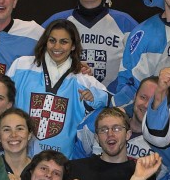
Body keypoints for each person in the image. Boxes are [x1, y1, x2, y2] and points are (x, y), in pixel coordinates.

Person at [8, 19, 109, 157]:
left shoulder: (82, 78)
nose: (57, 47)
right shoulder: (21, 66)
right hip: (20, 155)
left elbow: (108, 98)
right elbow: (2, 97)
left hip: (60, 162)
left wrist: (94, 97)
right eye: (52, 40)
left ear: (73, 46)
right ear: (45, 41)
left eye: (64, 42)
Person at [43, 0, 138, 93]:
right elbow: (37, 55)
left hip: (111, 103)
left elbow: (142, 63)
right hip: (67, 98)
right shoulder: (57, 22)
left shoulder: (125, 22)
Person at [0, 107, 33, 180]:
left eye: (19, 129)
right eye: (6, 129)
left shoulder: (38, 171)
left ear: (29, 134)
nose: (13, 135)